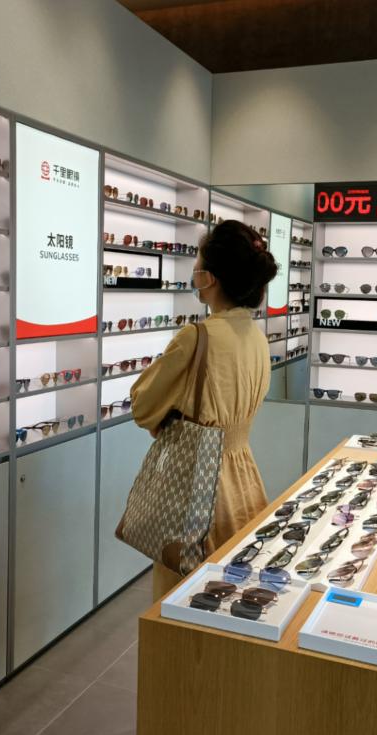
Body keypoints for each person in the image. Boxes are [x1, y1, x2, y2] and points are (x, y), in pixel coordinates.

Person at [130, 220, 279, 601]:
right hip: (244, 476)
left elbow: (143, 405)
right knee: (235, 589)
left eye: (197, 265)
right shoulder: (257, 338)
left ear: (209, 278)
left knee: (184, 596)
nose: (194, 272)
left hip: (197, 481)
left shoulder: (197, 337)